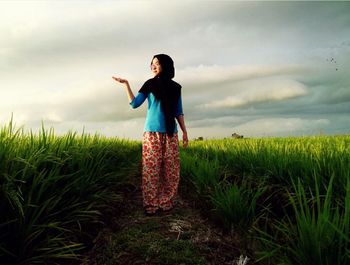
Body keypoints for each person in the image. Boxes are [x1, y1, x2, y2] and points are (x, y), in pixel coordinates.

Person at [112, 54, 188, 215]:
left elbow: (178, 112)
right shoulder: (150, 84)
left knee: (171, 170)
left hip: (170, 133)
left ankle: (166, 201)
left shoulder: (176, 87)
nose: (153, 66)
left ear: (166, 66)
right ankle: (151, 204)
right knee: (151, 170)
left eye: (157, 63)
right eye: (152, 64)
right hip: (152, 133)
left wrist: (184, 132)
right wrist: (126, 84)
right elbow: (134, 104)